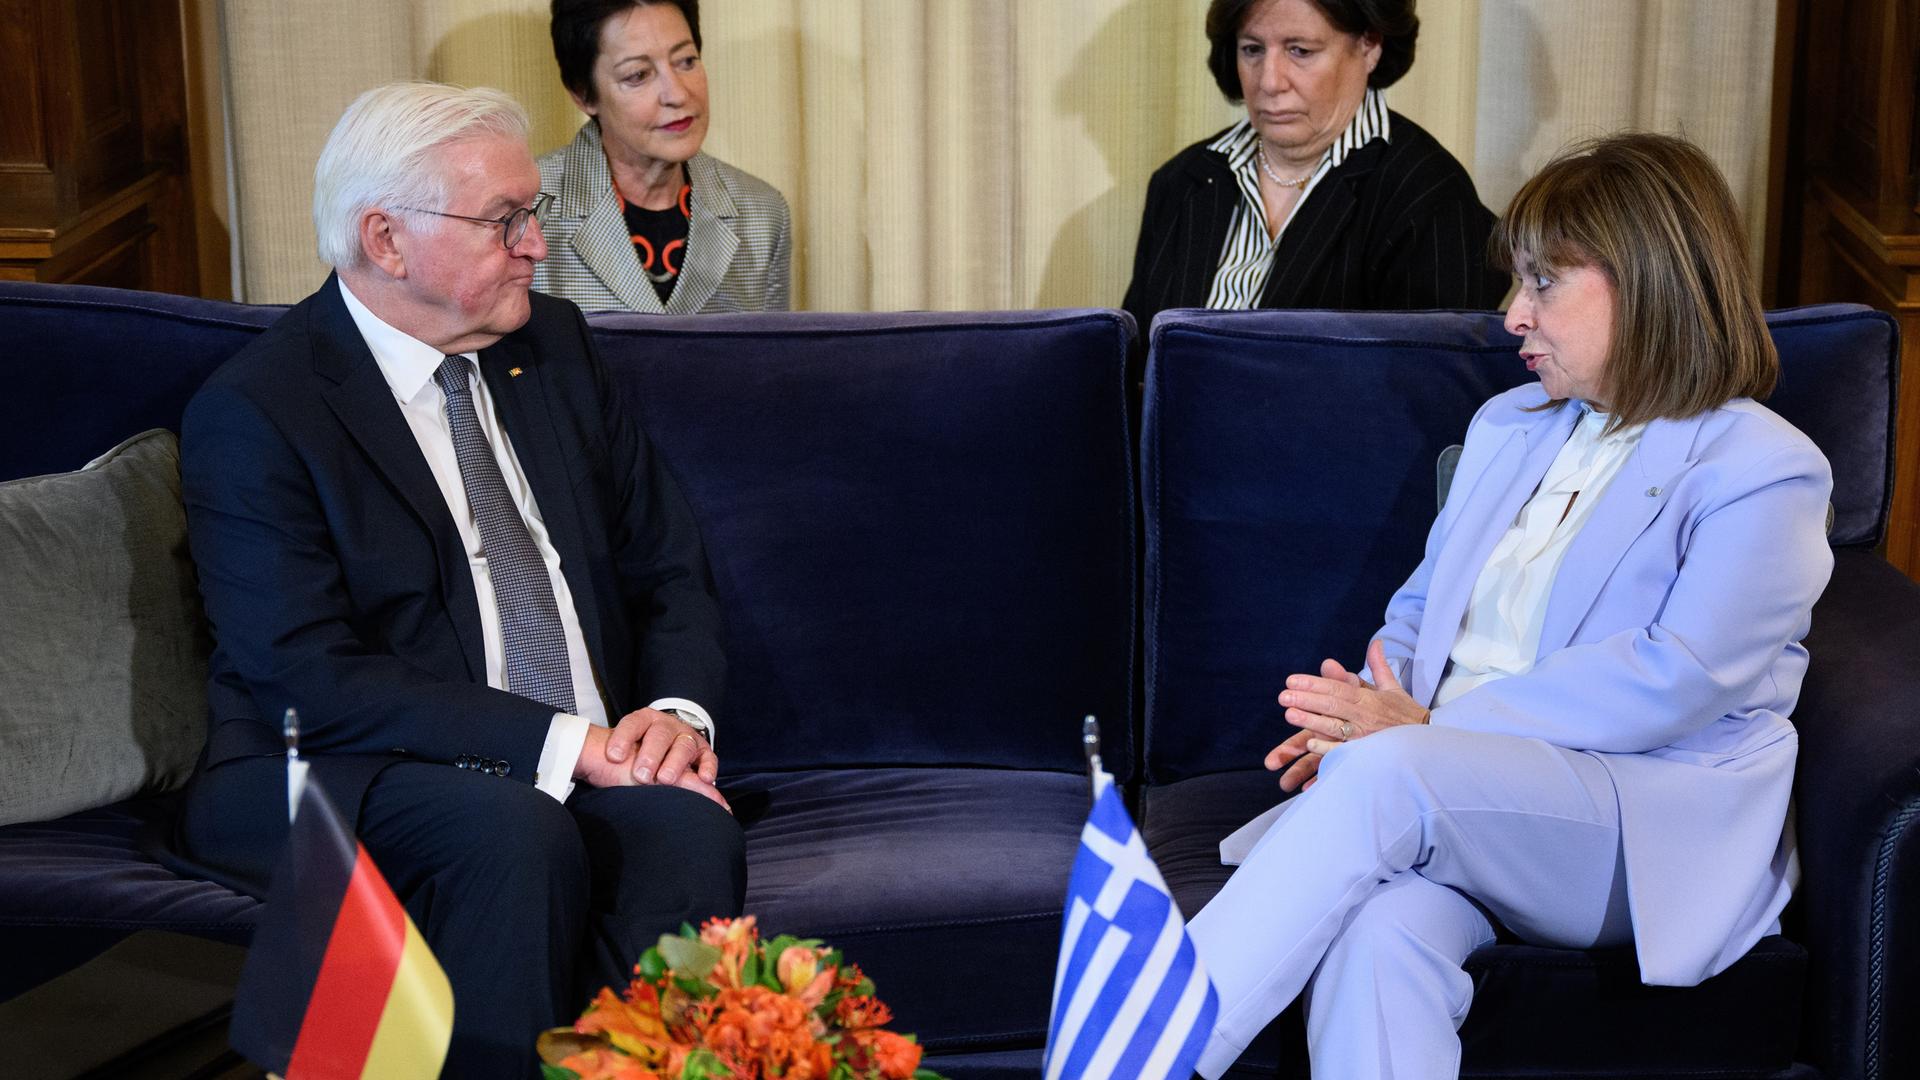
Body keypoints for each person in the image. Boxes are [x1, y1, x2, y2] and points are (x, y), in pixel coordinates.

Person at [1186, 131, 1834, 1078]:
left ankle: (1134, 1051)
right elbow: (1421, 607)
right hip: (1463, 801)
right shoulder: (1509, 425)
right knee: (1380, 938)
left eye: (1542, 283)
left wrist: (1418, 731)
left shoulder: (1763, 468)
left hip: (1634, 820)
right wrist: (1367, 711)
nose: (1511, 315)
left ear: (1647, 279)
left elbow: (1677, 677)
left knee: (1390, 777)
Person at [171, 82, 744, 1078]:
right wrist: (572, 746)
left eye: (534, 214)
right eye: (505, 222)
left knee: (683, 827)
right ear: (387, 241)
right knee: (512, 832)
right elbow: (304, 674)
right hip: (335, 766)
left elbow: (668, 562)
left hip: (574, 747)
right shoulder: (261, 410)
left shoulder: (554, 347)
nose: (537, 244)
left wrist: (674, 716)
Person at [1123, 0, 1507, 361]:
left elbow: (1433, 393)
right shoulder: (1181, 181)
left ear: (1370, 44)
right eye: (1252, 49)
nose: (1270, 81)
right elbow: (1135, 363)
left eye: (1300, 51)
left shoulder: (1430, 194)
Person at [535, 0, 792, 313]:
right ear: (583, 94)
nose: (678, 94)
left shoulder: (761, 212)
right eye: (638, 75)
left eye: (686, 61)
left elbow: (773, 359)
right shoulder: (528, 209)